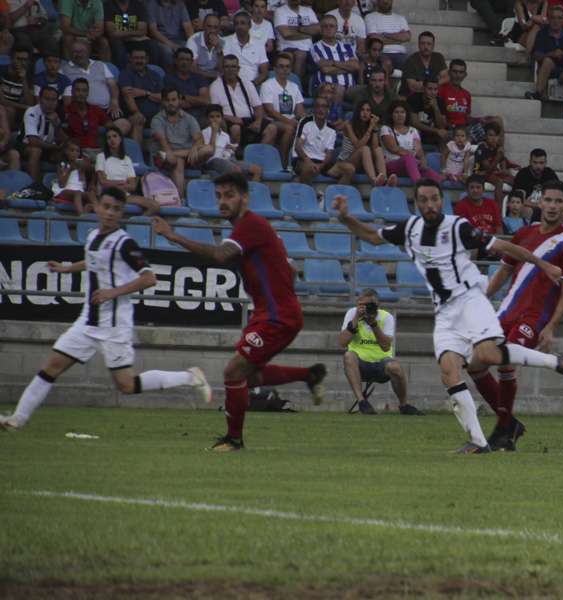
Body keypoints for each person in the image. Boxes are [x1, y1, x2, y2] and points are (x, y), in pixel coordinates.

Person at [333, 180, 563, 453]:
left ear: (442, 201)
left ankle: (553, 362)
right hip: (444, 312)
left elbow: (504, 247)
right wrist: (346, 218)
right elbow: (372, 236)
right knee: (449, 371)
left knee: (488, 355)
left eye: (434, 199)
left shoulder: (458, 227)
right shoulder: (410, 229)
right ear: (417, 203)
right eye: (424, 200)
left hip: (470, 300)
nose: (430, 205)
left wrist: (543, 263)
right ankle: (479, 443)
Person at [0, 188, 212, 434]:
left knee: (127, 386)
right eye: (107, 207)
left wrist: (113, 291)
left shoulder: (125, 243)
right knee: (51, 367)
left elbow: (149, 278)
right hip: (87, 322)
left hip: (113, 325)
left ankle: (190, 377)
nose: (110, 213)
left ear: (121, 213)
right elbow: (93, 261)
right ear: (98, 207)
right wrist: (66, 269)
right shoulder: (93, 237)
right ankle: (17, 420)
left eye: (116, 209)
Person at [151, 172, 328, 451]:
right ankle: (311, 375)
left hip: (277, 316)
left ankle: (234, 440)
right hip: (270, 313)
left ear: (245, 198)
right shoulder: (252, 228)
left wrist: (172, 235)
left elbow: (220, 255)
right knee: (251, 377)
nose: (222, 201)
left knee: (232, 371)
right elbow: (291, 269)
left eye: (229, 195)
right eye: (219, 195)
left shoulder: (250, 225)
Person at [340, 289, 423, 416]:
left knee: (394, 366)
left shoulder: (386, 317)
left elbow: (385, 346)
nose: (366, 307)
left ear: (378, 305)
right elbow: (343, 342)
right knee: (349, 355)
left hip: (381, 364)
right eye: (362, 304)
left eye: (370, 304)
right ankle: (362, 402)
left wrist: (373, 323)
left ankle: (404, 405)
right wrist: (356, 318)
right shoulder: (352, 314)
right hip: (359, 365)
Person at [151, 86, 210, 199]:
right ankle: (180, 199)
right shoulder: (157, 119)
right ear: (163, 102)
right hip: (165, 156)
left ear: (179, 101)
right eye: (167, 100)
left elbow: (199, 138)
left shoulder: (189, 118)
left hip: (187, 154)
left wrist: (195, 147)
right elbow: (161, 139)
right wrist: (169, 152)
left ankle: (180, 155)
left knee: (209, 149)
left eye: (173, 100)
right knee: (178, 162)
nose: (171, 103)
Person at [208, 55, 278, 150]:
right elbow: (214, 113)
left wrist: (258, 122)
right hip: (229, 122)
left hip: (249, 121)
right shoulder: (215, 86)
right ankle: (233, 157)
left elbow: (258, 107)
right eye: (227, 66)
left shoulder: (247, 83)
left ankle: (257, 158)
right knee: (235, 128)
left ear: (238, 68)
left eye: (233, 67)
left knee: (272, 128)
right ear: (222, 68)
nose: (230, 69)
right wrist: (231, 118)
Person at [259, 53, 307, 170]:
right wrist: (289, 122)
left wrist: (307, 121)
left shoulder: (294, 86)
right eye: (281, 66)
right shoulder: (267, 85)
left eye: (288, 66)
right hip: (272, 122)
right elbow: (270, 111)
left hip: (290, 121)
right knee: (289, 128)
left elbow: (300, 110)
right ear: (275, 69)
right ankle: (284, 166)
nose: (285, 69)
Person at [97, 125, 160, 215]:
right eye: (108, 138)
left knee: (155, 206)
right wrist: (122, 182)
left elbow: (132, 186)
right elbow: (102, 183)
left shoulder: (127, 159)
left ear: (120, 139)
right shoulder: (101, 157)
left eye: (114, 136)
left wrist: (111, 184)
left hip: (123, 196)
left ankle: (135, 226)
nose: (112, 139)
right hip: (107, 195)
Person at [292, 97, 355, 185]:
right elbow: (297, 147)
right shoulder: (305, 122)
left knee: (350, 169)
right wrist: (308, 161)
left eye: (324, 106)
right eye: (318, 106)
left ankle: (333, 197)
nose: (321, 109)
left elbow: (329, 156)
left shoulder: (332, 129)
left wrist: (321, 166)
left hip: (321, 163)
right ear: (313, 109)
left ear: (328, 110)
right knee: (308, 168)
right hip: (303, 159)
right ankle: (309, 197)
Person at [526, 5, 563, 100]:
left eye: (559, 18)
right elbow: (536, 57)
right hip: (550, 69)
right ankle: (538, 94)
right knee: (547, 61)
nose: (556, 21)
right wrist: (551, 54)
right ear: (548, 19)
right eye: (552, 17)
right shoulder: (541, 34)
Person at [199, 104, 264, 181]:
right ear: (207, 119)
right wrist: (214, 132)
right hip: (212, 160)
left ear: (222, 118)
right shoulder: (204, 133)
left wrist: (233, 157)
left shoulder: (225, 135)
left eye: (218, 116)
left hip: (226, 160)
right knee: (236, 170)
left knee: (258, 170)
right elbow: (210, 152)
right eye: (212, 117)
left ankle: (252, 192)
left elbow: (228, 150)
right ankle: (239, 191)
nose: (215, 119)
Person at [380, 100, 440, 184]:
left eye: (402, 112)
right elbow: (394, 149)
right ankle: (418, 188)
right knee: (409, 157)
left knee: (433, 175)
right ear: (391, 115)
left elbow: (418, 148)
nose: (399, 115)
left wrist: (422, 159)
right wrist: (412, 157)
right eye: (396, 112)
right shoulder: (386, 129)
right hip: (394, 164)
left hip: (412, 165)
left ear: (406, 114)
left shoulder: (413, 130)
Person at [18, 87, 68, 185]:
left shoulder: (61, 114)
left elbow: (65, 141)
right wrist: (56, 147)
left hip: (48, 148)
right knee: (36, 151)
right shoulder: (32, 112)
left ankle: (68, 185)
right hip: (25, 146)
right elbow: (33, 142)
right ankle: (32, 187)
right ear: (40, 99)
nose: (50, 103)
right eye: (47, 99)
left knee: (71, 154)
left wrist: (57, 125)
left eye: (53, 100)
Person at [118, 47, 164, 144]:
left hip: (155, 116)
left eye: (142, 58)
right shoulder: (125, 74)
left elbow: (162, 98)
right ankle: (135, 157)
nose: (139, 61)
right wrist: (136, 111)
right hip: (133, 114)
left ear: (147, 59)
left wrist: (145, 93)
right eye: (136, 58)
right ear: (130, 59)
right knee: (138, 120)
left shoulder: (156, 75)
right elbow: (128, 95)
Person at [455, 174, 505, 259]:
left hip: (491, 242)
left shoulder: (492, 204)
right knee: (473, 250)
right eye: (472, 187)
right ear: (466, 190)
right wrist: (485, 245)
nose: (475, 190)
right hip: (473, 243)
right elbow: (465, 234)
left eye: (478, 187)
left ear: (483, 190)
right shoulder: (461, 206)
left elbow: (499, 230)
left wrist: (493, 245)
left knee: (508, 250)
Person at [274, 0, 321, 84]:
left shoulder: (308, 11)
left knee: (303, 54)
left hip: (308, 49)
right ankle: (294, 87)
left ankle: (299, 88)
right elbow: (286, 34)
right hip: (286, 47)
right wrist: (308, 34)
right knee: (296, 55)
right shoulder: (280, 11)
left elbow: (318, 29)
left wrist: (298, 29)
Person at [163, 47, 212, 123]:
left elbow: (206, 101)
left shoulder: (199, 78)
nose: (184, 62)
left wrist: (183, 97)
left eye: (187, 60)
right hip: (178, 117)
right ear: (176, 61)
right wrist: (197, 103)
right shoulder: (168, 79)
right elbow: (172, 104)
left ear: (191, 62)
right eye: (182, 59)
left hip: (199, 116)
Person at [222, 11, 269, 87]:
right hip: (231, 83)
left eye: (242, 23)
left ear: (249, 25)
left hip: (253, 83)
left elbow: (264, 72)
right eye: (237, 24)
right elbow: (222, 67)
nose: (239, 26)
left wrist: (253, 84)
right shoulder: (225, 41)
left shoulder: (259, 44)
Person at [512, 148, 560, 221]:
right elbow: (519, 199)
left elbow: (558, 194)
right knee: (528, 211)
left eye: (541, 163)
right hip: (528, 208)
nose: (538, 166)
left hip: (545, 208)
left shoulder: (550, 173)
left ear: (545, 162)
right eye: (535, 163)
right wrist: (534, 205)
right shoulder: (523, 174)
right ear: (530, 161)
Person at [52, 139, 97, 214]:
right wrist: (70, 170)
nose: (75, 153)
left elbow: (94, 173)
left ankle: (99, 214)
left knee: (91, 194)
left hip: (79, 190)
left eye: (77, 151)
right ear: (66, 151)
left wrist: (92, 183)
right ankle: (81, 214)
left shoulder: (83, 164)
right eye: (72, 151)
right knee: (77, 193)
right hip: (64, 191)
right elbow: (61, 185)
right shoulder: (62, 165)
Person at [103, 0, 153, 70]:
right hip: (116, 41)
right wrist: (135, 38)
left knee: (151, 45)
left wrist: (123, 33)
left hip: (132, 40)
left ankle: (150, 75)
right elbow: (112, 33)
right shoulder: (108, 5)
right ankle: (121, 75)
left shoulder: (139, 6)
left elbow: (142, 31)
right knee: (117, 44)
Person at [400, 30, 447, 98]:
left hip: (431, 94)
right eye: (423, 43)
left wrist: (430, 84)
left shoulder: (438, 57)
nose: (426, 47)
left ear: (433, 45)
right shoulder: (410, 61)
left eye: (429, 44)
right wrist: (433, 86)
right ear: (419, 45)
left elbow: (446, 77)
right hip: (412, 97)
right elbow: (413, 88)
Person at [146, 0, 193, 68]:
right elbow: (153, 30)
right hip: (160, 41)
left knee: (190, 49)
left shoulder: (180, 4)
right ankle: (169, 77)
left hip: (178, 39)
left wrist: (193, 43)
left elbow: (188, 27)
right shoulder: (151, 5)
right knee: (168, 52)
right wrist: (171, 45)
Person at [185, 14, 222, 81]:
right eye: (209, 27)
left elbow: (224, 70)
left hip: (218, 80)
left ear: (219, 29)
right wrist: (215, 77)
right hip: (198, 79)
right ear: (204, 26)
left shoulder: (223, 42)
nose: (212, 31)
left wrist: (219, 49)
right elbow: (192, 70)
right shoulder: (194, 40)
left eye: (215, 27)